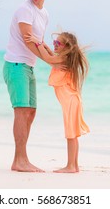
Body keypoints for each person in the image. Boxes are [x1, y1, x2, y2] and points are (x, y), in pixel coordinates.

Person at [3, 0, 50, 172]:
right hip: (16, 65)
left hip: (28, 66)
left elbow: (39, 41)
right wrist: (50, 61)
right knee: (21, 112)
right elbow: (27, 40)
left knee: (31, 113)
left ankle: (21, 159)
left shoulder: (44, 13)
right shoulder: (25, 10)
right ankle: (20, 160)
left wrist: (56, 58)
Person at [25, 32, 90, 173]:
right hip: (71, 101)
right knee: (72, 135)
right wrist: (44, 45)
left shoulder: (64, 58)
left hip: (71, 102)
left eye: (57, 43)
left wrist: (37, 42)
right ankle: (74, 165)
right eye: (54, 42)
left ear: (66, 47)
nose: (54, 45)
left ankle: (71, 166)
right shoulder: (62, 58)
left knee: (71, 135)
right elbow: (49, 57)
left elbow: (48, 58)